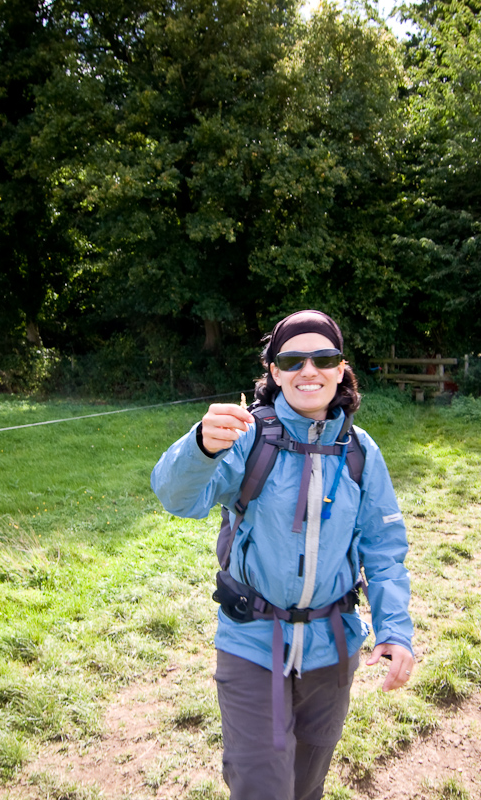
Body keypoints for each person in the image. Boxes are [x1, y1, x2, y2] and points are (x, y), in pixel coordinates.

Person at [151, 310, 414, 800]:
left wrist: (395, 630)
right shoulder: (249, 437)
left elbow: (383, 550)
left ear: (341, 370)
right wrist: (200, 448)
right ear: (274, 372)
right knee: (261, 788)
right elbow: (176, 497)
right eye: (292, 359)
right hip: (252, 643)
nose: (308, 370)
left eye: (324, 358)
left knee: (306, 785)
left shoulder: (360, 451)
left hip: (331, 649)